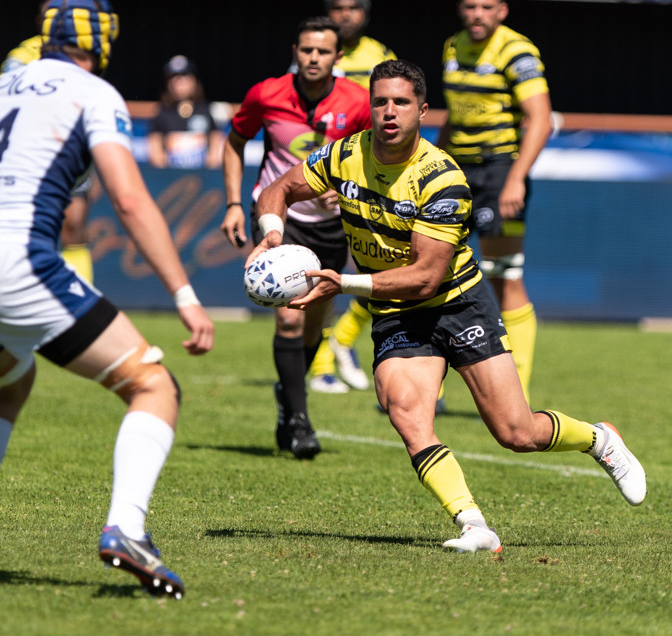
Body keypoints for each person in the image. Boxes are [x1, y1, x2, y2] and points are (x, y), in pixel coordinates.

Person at [248, 59, 646, 552]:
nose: (389, 112)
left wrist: (343, 283)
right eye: (380, 101)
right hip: (396, 311)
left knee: (516, 432)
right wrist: (272, 235)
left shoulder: (441, 178)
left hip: (457, 303)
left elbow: (425, 277)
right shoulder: (345, 153)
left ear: (422, 110)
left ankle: (598, 439)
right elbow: (279, 189)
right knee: (405, 411)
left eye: (401, 102)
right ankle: (474, 526)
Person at [0, 0, 215, 597]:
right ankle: (127, 531)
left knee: (7, 384)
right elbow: (129, 199)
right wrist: (184, 294)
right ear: (103, 40)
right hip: (15, 259)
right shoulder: (93, 92)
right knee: (153, 385)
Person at [219, 16, 371, 458]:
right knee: (287, 317)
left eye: (323, 51)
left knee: (312, 322)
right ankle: (300, 421)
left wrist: (349, 190)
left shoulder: (358, 101)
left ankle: (288, 395)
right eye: (306, 50)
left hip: (332, 225)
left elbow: (373, 158)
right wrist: (232, 203)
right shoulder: (266, 94)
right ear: (295, 52)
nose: (313, 58)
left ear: (338, 56)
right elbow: (234, 142)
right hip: (279, 218)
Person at [437, 0, 550, 407]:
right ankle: (430, 386)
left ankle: (517, 393)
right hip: (456, 171)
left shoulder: (517, 51)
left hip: (500, 169)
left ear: (501, 11)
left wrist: (516, 177)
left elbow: (540, 119)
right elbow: (455, 115)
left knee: (505, 275)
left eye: (486, 7)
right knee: (434, 270)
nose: (477, 15)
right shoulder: (452, 47)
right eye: (471, 7)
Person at [307, 0, 396, 395]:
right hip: (325, 173)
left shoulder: (381, 55)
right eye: (338, 7)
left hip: (370, 173)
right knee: (321, 274)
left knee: (385, 269)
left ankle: (343, 339)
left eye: (353, 8)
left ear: (365, 14)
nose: (345, 14)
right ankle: (321, 364)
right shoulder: (317, 55)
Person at [1, 0, 96, 284]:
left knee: (73, 226)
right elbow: (5, 102)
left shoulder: (83, 55)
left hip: (71, 152)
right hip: (29, 155)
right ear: (40, 21)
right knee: (31, 230)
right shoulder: (20, 57)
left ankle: (79, 296)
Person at [147, 54, 224, 169]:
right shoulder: (162, 113)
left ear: (194, 80)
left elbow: (215, 150)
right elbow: (156, 154)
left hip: (203, 176)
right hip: (170, 176)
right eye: (173, 77)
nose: (179, 82)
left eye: (184, 76)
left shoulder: (206, 110)